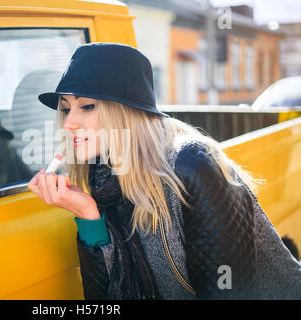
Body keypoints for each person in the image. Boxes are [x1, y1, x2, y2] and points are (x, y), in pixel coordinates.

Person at [27, 43, 301, 300]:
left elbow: (226, 289)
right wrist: (88, 216)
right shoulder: (102, 175)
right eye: (65, 109)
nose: (70, 122)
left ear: (127, 113)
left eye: (87, 106)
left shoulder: (194, 166)